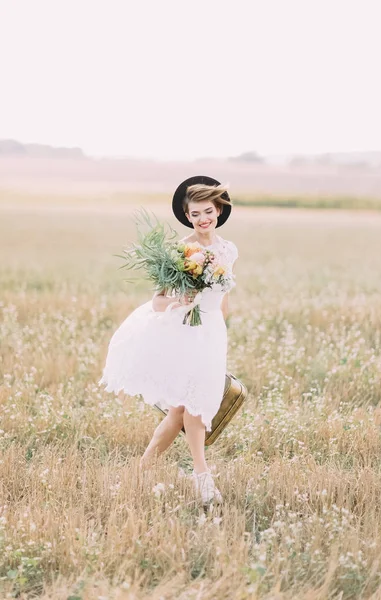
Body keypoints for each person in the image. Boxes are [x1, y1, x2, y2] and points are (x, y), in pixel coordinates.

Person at [99, 175, 239, 504]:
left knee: (178, 412)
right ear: (187, 217)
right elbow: (157, 302)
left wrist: (222, 331)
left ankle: (141, 471)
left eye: (208, 211)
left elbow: (225, 300)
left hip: (212, 335)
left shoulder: (228, 250)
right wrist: (181, 303)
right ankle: (202, 476)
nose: (203, 219)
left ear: (218, 210)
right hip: (186, 334)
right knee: (192, 407)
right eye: (195, 214)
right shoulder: (181, 250)